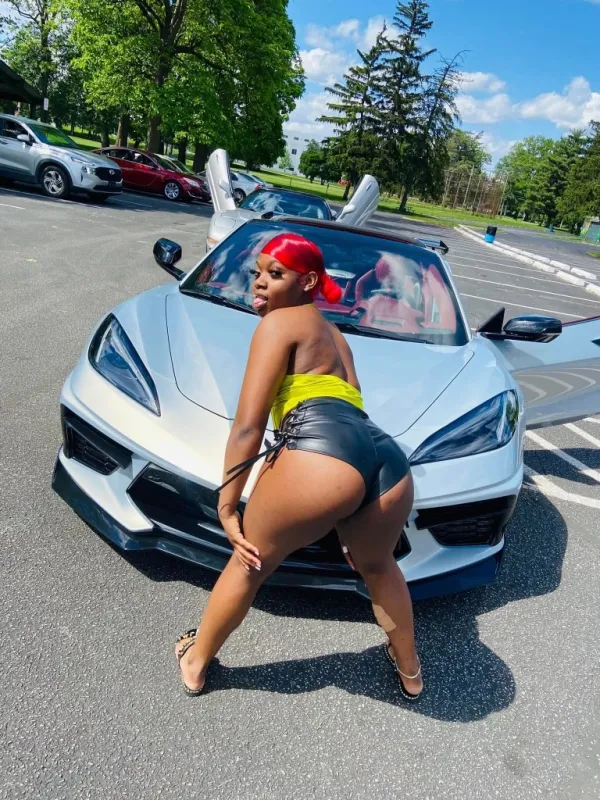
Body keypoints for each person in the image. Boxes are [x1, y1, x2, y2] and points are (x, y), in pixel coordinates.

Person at [175, 232, 423, 700]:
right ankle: (410, 672)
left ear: (307, 282)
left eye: (276, 274)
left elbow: (248, 427)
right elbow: (348, 413)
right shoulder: (338, 338)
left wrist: (227, 505)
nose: (260, 283)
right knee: (379, 566)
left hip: (321, 449)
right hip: (386, 460)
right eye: (257, 273)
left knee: (248, 562)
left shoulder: (280, 323)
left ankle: (195, 662)